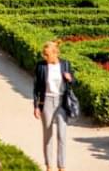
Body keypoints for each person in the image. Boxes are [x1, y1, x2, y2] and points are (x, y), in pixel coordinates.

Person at [32, 40, 76, 171]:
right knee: (48, 135)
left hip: (62, 102)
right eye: (44, 54)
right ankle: (49, 166)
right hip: (47, 102)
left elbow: (73, 82)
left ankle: (61, 166)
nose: (45, 57)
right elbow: (36, 88)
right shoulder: (41, 66)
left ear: (55, 53)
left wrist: (70, 79)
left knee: (62, 135)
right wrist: (36, 106)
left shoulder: (65, 64)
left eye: (47, 54)